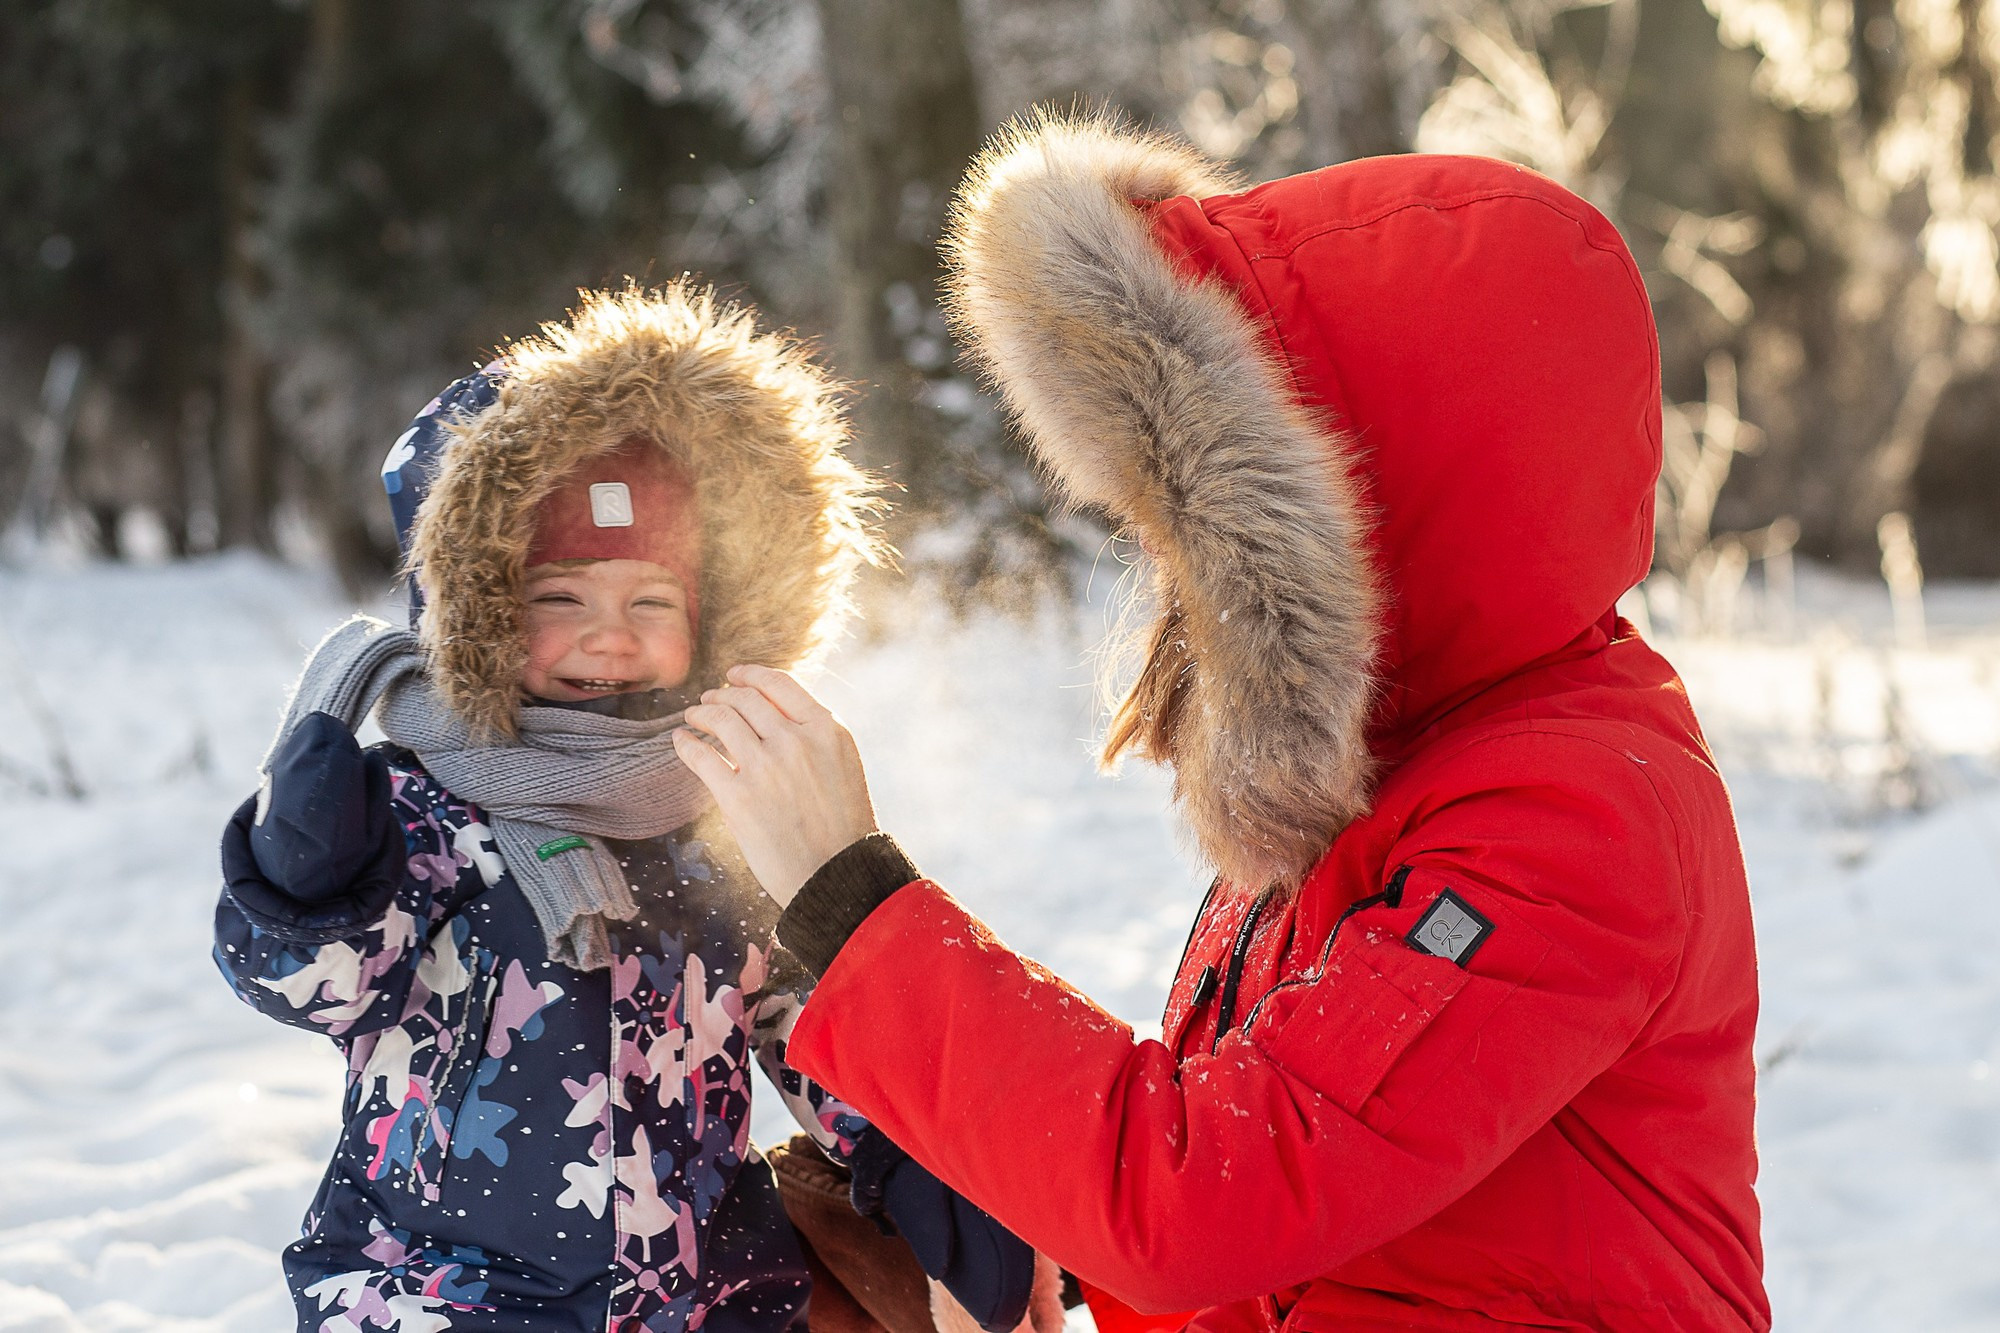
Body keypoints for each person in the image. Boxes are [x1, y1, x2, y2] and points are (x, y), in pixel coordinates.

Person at [673, 113, 1772, 1332]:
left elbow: (1206, 1194)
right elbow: (1274, 1159)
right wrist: (1019, 1227)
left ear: (1355, 502)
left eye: (1198, 513)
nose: (1163, 557)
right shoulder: (1382, 750)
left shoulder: (1573, 816)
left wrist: (857, 905)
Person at [213, 285, 1046, 1332]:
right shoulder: (420, 809)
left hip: (703, 1296)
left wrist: (905, 1159)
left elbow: (811, 1015)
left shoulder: (719, 805)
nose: (608, 638)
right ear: (479, 612)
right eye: (560, 601)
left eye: (647, 603)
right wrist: (304, 883)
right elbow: (316, 990)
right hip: (440, 1292)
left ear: (709, 620)